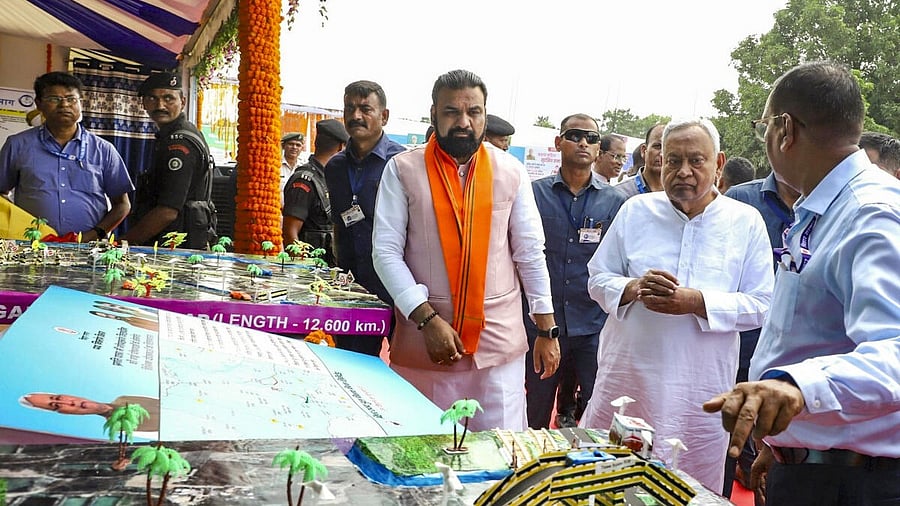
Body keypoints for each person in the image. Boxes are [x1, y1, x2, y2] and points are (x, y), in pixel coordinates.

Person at [703, 61, 900, 506]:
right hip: (819, 467)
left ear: (784, 129)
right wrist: (793, 445)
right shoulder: (823, 210)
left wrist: (795, 389)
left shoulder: (871, 216)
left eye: (763, 127)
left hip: (856, 484)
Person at [579, 118, 773, 492]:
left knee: (690, 487)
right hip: (628, 380)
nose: (683, 171)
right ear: (658, 161)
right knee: (606, 484)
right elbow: (597, 279)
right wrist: (634, 287)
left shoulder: (744, 222)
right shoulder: (636, 211)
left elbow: (761, 304)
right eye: (673, 160)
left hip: (700, 393)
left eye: (696, 161)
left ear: (718, 164)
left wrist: (698, 302)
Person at [372, 69, 559, 431]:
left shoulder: (511, 171)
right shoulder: (403, 169)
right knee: (422, 447)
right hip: (425, 343)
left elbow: (530, 252)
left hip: (497, 345)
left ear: (484, 115)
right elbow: (385, 252)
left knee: (500, 450)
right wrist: (426, 320)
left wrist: (547, 330)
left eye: (473, 112)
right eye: (451, 112)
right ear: (433, 115)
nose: (463, 122)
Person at [525, 114, 626, 430]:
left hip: (593, 326)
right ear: (558, 143)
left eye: (592, 138)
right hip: (543, 325)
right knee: (536, 410)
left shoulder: (615, 202)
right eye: (575, 135)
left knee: (600, 409)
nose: (583, 142)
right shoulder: (531, 195)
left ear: (598, 149)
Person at [721, 170, 799, 499]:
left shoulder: (838, 209)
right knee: (731, 445)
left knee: (782, 460)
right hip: (741, 346)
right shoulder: (740, 201)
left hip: (797, 365)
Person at [0, 71, 133, 241]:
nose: (64, 105)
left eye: (71, 99)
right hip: (33, 245)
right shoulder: (17, 145)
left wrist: (94, 234)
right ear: (39, 104)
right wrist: (19, 227)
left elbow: (122, 204)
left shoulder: (104, 149)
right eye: (54, 99)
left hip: (87, 247)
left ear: (80, 104)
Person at [324, 80, 405, 355]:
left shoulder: (401, 164)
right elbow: (338, 223)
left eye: (365, 109)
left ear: (384, 116)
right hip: (351, 288)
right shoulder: (335, 166)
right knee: (351, 361)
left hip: (395, 287)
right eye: (349, 108)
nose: (356, 116)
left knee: (404, 368)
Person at [125, 72, 216, 250]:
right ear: (143, 103)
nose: (160, 105)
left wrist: (125, 241)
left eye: (168, 98)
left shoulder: (179, 144)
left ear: (182, 101)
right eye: (152, 98)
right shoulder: (174, 134)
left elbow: (168, 211)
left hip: (175, 245)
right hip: (178, 240)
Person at [282, 119, 349, 265]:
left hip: (329, 264)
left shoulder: (329, 176)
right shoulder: (304, 180)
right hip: (312, 269)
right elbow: (289, 233)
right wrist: (304, 269)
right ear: (341, 147)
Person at [21, 392, 159, 432]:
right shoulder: (120, 428)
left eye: (57, 398)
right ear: (66, 413)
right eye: (56, 406)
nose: (69, 403)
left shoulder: (125, 398)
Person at [616, 123, 665, 198]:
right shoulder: (620, 194)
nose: (662, 154)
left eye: (668, 148)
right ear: (644, 150)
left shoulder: (682, 197)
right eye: (657, 146)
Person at [280, 132, 306, 200]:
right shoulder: (275, 165)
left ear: (302, 148)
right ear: (283, 146)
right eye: (291, 144)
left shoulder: (304, 167)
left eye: (298, 145)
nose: (294, 147)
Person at [89, 310, 159, 332]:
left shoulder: (132, 318)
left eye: (106, 314)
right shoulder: (132, 323)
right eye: (105, 316)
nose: (109, 316)